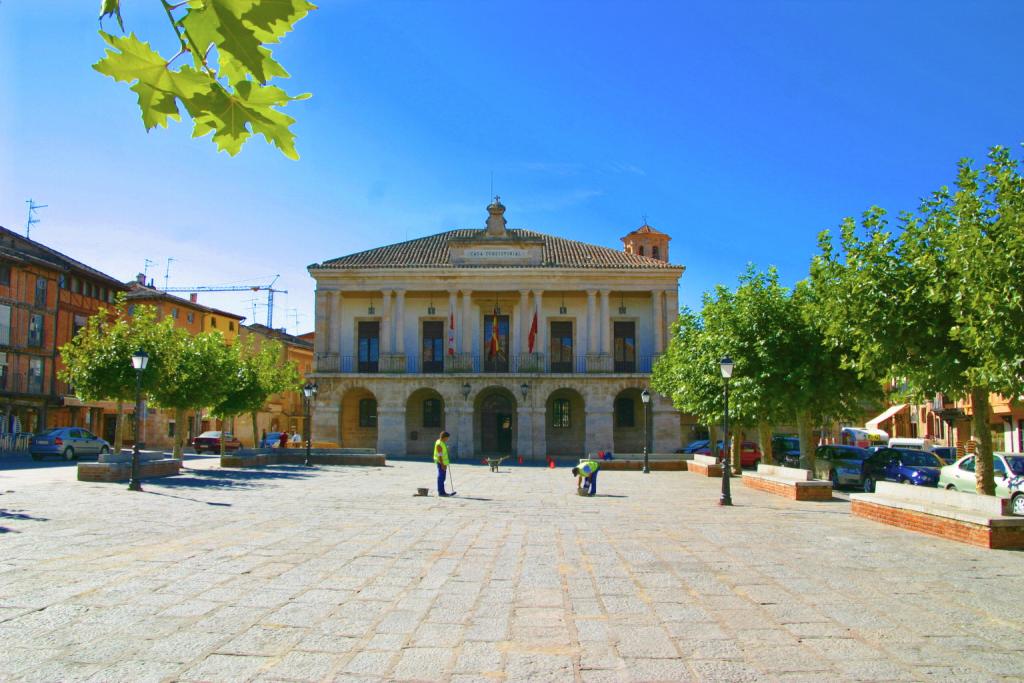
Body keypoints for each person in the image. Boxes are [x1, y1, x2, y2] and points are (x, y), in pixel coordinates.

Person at [434, 431, 451, 496]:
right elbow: (440, 456)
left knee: (443, 478)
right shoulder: (439, 444)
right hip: (441, 463)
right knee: (441, 477)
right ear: (444, 437)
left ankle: (442, 491)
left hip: (444, 463)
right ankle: (441, 492)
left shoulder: (442, 442)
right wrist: (442, 464)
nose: (447, 439)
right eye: (447, 438)